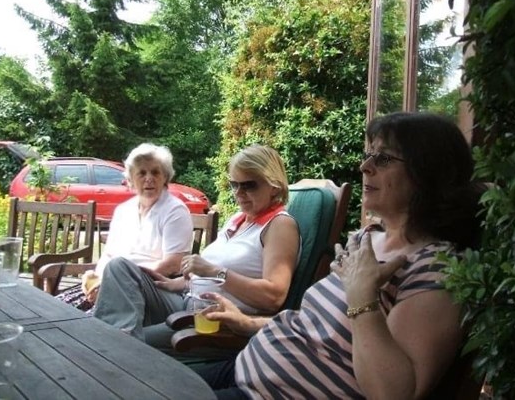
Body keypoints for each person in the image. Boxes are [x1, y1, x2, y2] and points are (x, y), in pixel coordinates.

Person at [193, 112, 485, 399]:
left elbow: (395, 392)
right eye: (369, 155)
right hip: (245, 367)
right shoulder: (366, 240)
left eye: (383, 158)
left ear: (427, 173)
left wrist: (362, 297)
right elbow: (314, 326)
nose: (364, 166)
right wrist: (246, 322)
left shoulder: (435, 267)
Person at [93, 144, 301, 343]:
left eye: (249, 185)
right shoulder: (238, 220)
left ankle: (111, 350)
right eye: (234, 184)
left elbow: (273, 296)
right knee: (119, 267)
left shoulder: (280, 225)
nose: (238, 193)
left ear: (274, 187)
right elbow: (213, 277)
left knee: (122, 339)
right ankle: (111, 346)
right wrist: (179, 283)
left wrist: (212, 270)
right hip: (185, 301)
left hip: (212, 323)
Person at [58, 142, 193, 311]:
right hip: (112, 283)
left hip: (153, 290)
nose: (149, 178)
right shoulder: (123, 211)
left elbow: (173, 264)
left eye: (155, 172)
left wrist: (113, 282)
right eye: (142, 173)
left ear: (165, 177)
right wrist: (96, 277)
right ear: (130, 180)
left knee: (87, 323)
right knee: (58, 309)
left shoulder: (175, 210)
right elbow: (108, 255)